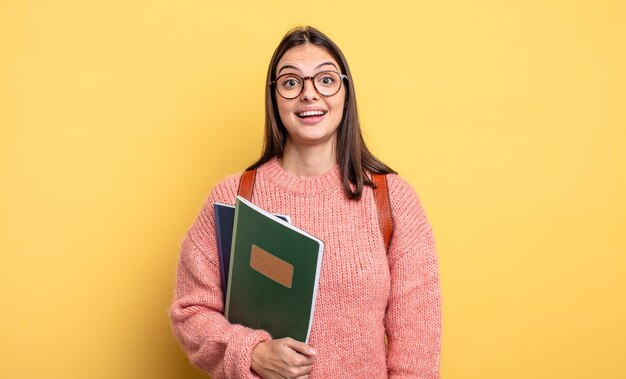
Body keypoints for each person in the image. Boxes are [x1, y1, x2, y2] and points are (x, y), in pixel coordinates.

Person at [170, 26, 441, 378]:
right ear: (274, 97)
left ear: (346, 92)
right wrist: (250, 351)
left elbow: (417, 344)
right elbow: (191, 310)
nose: (309, 94)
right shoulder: (234, 197)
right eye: (291, 82)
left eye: (326, 80)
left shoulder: (392, 200)